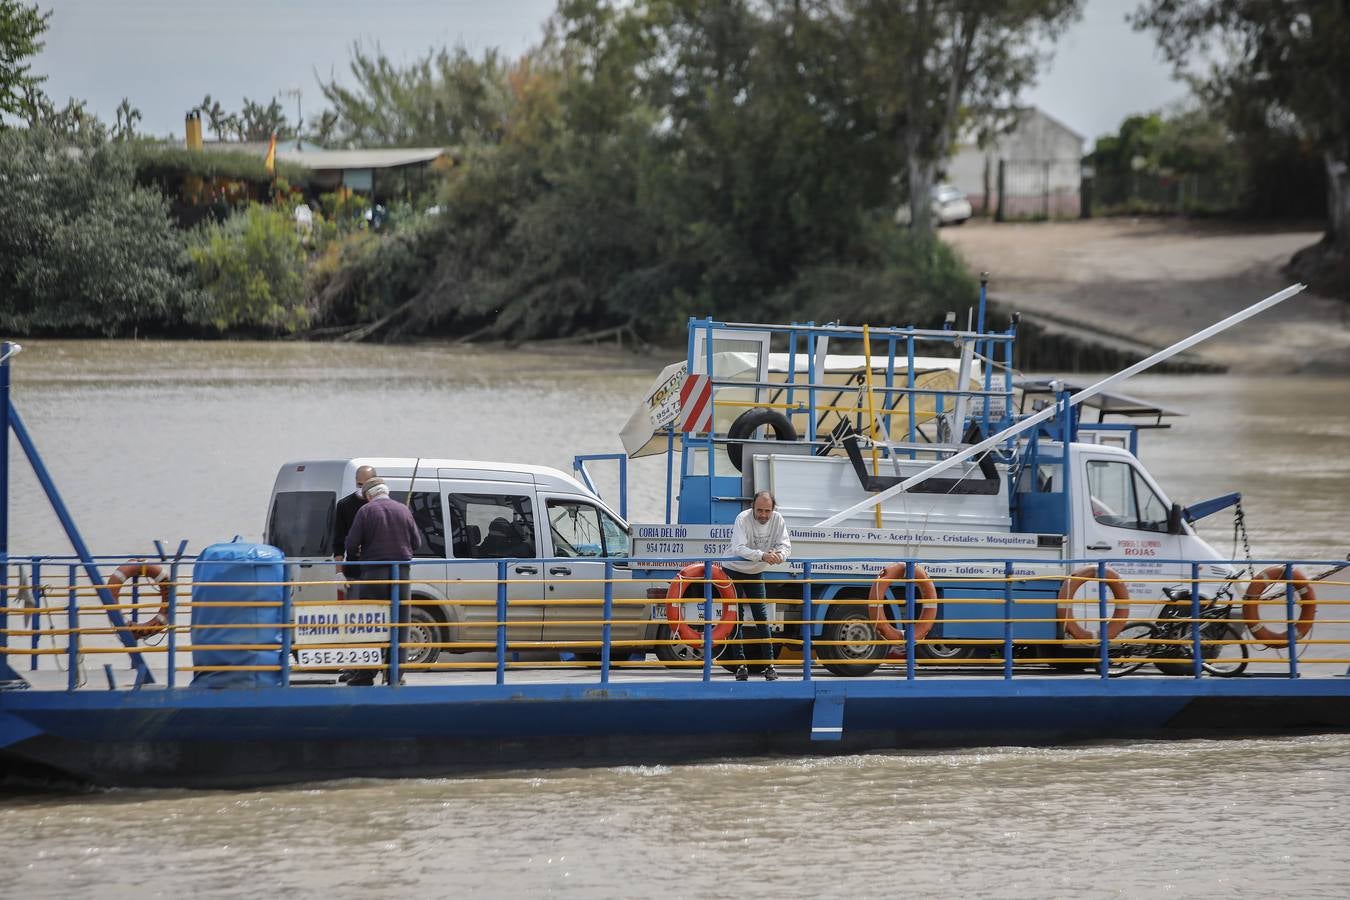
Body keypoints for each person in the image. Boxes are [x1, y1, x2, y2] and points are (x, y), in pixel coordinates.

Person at [343, 477, 421, 686]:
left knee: (372, 624)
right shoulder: (403, 510)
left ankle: (365, 674)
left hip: (373, 574)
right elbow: (417, 542)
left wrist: (352, 566)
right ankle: (395, 675)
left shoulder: (366, 511)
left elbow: (351, 544)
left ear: (369, 495)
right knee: (400, 623)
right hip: (401, 574)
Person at [724, 490, 791, 681]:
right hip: (734, 569)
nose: (763, 515)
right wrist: (763, 555)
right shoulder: (742, 519)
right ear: (752, 507)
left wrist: (780, 556)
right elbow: (738, 548)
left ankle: (769, 666)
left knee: (761, 615)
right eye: (759, 510)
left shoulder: (778, 520)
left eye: (767, 511)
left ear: (773, 509)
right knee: (737, 616)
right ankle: (740, 666)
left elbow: (785, 545)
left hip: (755, 571)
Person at [332, 465, 377, 559]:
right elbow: (339, 540)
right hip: (354, 563)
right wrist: (338, 571)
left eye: (367, 484)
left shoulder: (382, 504)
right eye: (360, 484)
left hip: (376, 562)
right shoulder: (344, 504)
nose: (363, 488)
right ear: (356, 481)